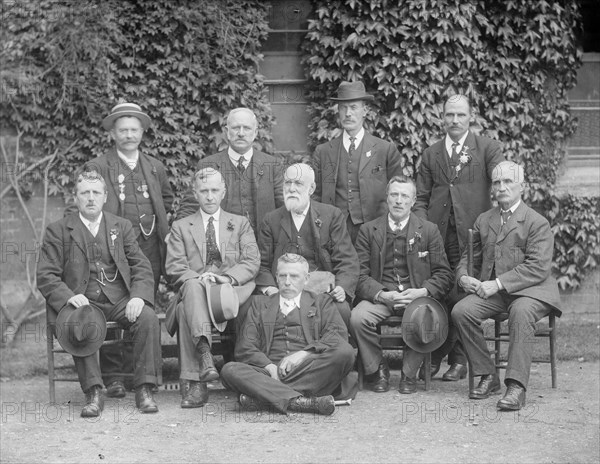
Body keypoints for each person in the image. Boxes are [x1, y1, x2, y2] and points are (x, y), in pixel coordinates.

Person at [37, 169, 161, 417]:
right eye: (85, 193)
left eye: (96, 192)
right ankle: (94, 392)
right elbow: (46, 275)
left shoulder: (121, 226)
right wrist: (68, 296)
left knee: (147, 317)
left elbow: (141, 265)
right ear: (76, 197)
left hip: (118, 299)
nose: (91, 198)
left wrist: (137, 296)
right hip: (82, 301)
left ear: (105, 196)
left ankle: (144, 388)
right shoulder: (58, 230)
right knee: (82, 320)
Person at [81, 102, 174, 398]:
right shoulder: (98, 166)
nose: (129, 135)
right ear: (113, 133)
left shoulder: (155, 166)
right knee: (111, 301)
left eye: (134, 130)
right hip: (111, 249)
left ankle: (143, 378)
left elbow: (168, 200)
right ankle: (114, 377)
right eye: (123, 130)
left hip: (149, 246)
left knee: (141, 307)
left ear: (143, 132)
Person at [453, 161, 561, 411]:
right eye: (497, 182)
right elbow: (469, 257)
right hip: (497, 292)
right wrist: (463, 277)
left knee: (521, 311)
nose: (502, 187)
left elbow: (537, 267)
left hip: (532, 291)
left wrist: (498, 283)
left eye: (508, 182)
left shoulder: (536, 222)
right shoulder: (485, 219)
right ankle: (488, 375)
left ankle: (516, 386)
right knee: (461, 311)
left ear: (522, 187)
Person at [413, 94, 504, 382]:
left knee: (462, 293)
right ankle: (450, 355)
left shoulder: (488, 148)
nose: (454, 120)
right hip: (439, 236)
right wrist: (423, 231)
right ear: (442, 117)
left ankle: (451, 356)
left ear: (470, 117)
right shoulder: (431, 154)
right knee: (441, 291)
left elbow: (502, 188)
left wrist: (493, 226)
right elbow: (421, 197)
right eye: (449, 115)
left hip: (474, 237)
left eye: (460, 115)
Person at [165, 167, 260, 408]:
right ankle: (203, 364)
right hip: (196, 289)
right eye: (204, 191)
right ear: (195, 194)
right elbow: (175, 267)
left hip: (231, 292)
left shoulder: (239, 224)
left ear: (223, 192)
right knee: (191, 295)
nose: (209, 196)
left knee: (189, 305)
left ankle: (237, 378)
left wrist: (225, 278)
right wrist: (201, 279)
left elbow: (251, 261)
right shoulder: (181, 226)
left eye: (214, 190)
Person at [350, 176, 453, 393]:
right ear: (386, 198)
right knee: (358, 318)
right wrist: (381, 294)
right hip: (382, 297)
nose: (399, 200)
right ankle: (378, 369)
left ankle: (409, 373)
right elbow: (359, 275)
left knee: (427, 315)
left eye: (404, 196)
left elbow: (444, 274)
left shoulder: (428, 230)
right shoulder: (369, 231)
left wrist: (422, 292)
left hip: (415, 297)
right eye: (394, 194)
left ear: (413, 200)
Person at [220, 254, 355, 416]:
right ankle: (302, 402)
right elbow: (245, 347)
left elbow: (336, 337)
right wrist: (270, 367)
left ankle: (267, 397)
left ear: (306, 279)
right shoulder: (259, 304)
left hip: (309, 369)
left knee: (345, 353)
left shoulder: (321, 302)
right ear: (276, 277)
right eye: (283, 275)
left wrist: (304, 354)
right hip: (269, 373)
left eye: (294, 276)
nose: (288, 281)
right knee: (230, 370)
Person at [256, 163, 359, 327]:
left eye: (298, 183)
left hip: (322, 291)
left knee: (341, 310)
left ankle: (334, 351)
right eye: (287, 183)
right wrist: (271, 290)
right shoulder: (271, 220)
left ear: (311, 189)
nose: (291, 188)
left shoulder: (331, 216)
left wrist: (342, 288)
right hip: (283, 290)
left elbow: (347, 260)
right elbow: (262, 265)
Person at [312, 81, 403, 242]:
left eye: (353, 107)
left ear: (365, 111)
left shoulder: (385, 150)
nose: (348, 113)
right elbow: (316, 196)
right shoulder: (323, 152)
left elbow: (398, 194)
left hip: (375, 232)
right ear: (338, 112)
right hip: (335, 232)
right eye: (343, 108)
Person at [176, 107, 284, 235]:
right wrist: (179, 233)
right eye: (236, 128)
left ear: (255, 133)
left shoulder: (272, 165)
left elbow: (284, 207)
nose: (241, 133)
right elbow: (190, 206)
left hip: (262, 245)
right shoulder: (208, 165)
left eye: (247, 128)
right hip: (221, 245)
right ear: (227, 132)